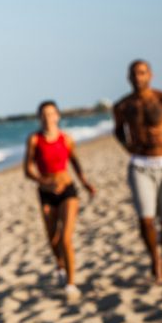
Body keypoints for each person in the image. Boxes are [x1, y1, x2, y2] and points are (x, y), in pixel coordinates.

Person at [112, 59, 162, 284]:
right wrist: (126, 145)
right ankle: (155, 260)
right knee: (145, 219)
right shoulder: (122, 106)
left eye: (142, 73)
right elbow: (118, 131)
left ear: (151, 75)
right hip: (140, 165)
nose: (138, 77)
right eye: (134, 74)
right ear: (128, 78)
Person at [24, 100, 96, 302]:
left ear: (58, 116)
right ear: (39, 117)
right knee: (53, 238)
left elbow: (75, 161)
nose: (48, 117)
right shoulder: (34, 140)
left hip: (67, 189)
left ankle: (71, 284)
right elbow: (27, 169)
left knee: (65, 237)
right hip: (46, 192)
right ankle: (60, 266)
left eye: (51, 113)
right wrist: (42, 181)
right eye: (44, 114)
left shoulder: (66, 139)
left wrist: (85, 182)